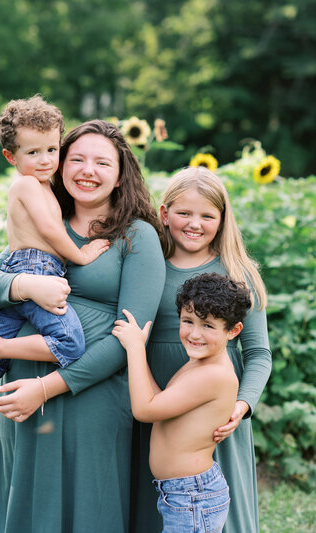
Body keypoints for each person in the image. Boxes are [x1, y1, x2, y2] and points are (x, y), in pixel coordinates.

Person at [0, 119, 166, 532]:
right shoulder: (44, 221)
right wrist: (25, 285)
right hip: (21, 396)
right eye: (76, 158)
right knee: (28, 507)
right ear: (59, 163)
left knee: (88, 510)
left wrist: (45, 386)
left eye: (101, 162)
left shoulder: (137, 236)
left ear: (119, 175)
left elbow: (131, 338)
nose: (87, 171)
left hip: (89, 396)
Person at [0, 96, 109, 458]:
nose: (46, 160)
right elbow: (52, 234)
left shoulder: (46, 186)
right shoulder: (25, 186)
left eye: (52, 149)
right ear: (12, 157)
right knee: (70, 344)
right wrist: (81, 253)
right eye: (33, 152)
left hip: (27, 270)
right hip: (35, 268)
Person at [132, 166, 272, 533]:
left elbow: (259, 354)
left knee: (207, 510)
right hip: (152, 393)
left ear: (222, 220)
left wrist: (241, 405)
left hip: (214, 413)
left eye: (207, 216)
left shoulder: (237, 274)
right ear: (165, 214)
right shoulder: (148, 265)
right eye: (184, 213)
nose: (194, 224)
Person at [113, 273, 252, 533]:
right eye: (188, 321)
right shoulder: (199, 364)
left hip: (193, 495)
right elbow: (158, 405)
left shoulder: (213, 374)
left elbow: (144, 409)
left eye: (208, 326)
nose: (194, 334)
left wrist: (134, 349)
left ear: (233, 331)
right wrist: (139, 347)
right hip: (185, 493)